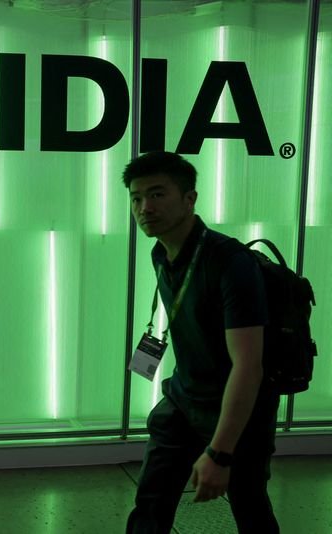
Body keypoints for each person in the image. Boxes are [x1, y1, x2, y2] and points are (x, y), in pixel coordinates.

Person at [122, 151, 280, 533]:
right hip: (184, 399)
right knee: (150, 503)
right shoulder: (160, 251)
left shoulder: (230, 263)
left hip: (237, 407)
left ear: (190, 199)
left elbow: (248, 365)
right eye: (137, 198)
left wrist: (220, 453)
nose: (145, 208)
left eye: (158, 195)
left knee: (250, 507)